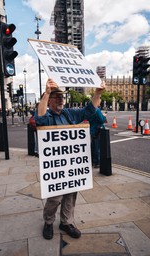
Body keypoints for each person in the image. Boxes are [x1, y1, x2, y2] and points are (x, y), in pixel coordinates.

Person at [35, 78, 105, 240]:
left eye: (62, 97)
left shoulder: (69, 113)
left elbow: (90, 110)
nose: (61, 99)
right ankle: (48, 222)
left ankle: (66, 222)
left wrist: (97, 93)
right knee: (55, 197)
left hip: (72, 164)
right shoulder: (47, 115)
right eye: (57, 97)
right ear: (50, 100)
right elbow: (39, 120)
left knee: (71, 194)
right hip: (55, 165)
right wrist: (46, 93)